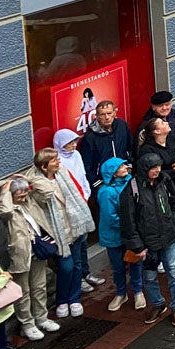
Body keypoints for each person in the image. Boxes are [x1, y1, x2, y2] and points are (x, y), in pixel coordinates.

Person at [118, 154, 175, 327]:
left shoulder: (165, 180)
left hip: (169, 237)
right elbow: (128, 221)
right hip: (147, 242)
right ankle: (157, 303)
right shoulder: (131, 190)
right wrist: (137, 246)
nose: (157, 170)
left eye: (158, 167)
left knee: (174, 271)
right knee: (149, 277)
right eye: (153, 168)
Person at [0, 179, 57, 340]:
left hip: (37, 252)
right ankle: (27, 324)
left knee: (39, 287)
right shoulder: (6, 210)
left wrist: (30, 178)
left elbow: (47, 191)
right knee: (24, 292)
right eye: (18, 192)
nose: (23, 195)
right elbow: (5, 209)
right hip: (19, 255)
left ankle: (42, 318)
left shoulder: (30, 203)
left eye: (25, 191)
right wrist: (5, 189)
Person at [28, 147, 87, 320]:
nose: (59, 162)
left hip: (74, 226)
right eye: (54, 160)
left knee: (77, 264)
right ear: (44, 167)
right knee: (65, 267)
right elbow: (45, 195)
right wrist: (36, 177)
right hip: (57, 233)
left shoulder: (63, 174)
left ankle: (75, 299)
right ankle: (62, 300)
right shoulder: (38, 185)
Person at [53, 128, 100, 295]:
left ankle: (87, 273)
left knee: (84, 241)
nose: (73, 146)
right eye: (69, 143)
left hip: (82, 200)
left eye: (74, 142)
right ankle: (79, 278)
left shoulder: (77, 155)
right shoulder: (57, 162)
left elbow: (83, 176)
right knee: (76, 244)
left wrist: (85, 195)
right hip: (71, 207)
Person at [95, 158, 143, 312]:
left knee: (136, 262)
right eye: (120, 166)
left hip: (131, 233)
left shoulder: (132, 182)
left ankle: (138, 291)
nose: (125, 167)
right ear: (113, 173)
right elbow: (110, 217)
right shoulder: (106, 192)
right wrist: (130, 227)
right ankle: (121, 293)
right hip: (114, 235)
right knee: (118, 267)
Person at [77, 100, 134, 186]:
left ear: (115, 113)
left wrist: (129, 166)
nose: (107, 117)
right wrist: (98, 183)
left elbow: (130, 147)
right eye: (102, 114)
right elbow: (86, 165)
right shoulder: (90, 137)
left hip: (124, 176)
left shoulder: (122, 126)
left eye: (109, 113)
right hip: (105, 182)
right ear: (96, 116)